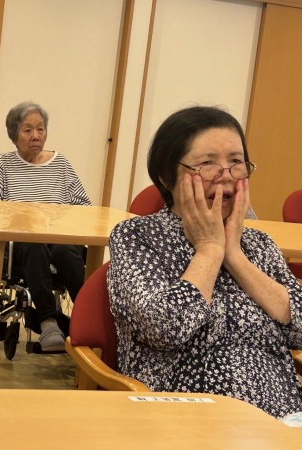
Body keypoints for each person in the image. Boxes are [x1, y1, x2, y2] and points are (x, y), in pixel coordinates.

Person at [108, 106, 302, 419]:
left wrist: (234, 254)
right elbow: (165, 329)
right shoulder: (137, 236)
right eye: (207, 164)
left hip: (280, 417)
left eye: (236, 162)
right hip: (183, 418)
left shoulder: (259, 244)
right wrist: (210, 250)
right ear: (166, 176)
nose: (227, 176)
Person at [0, 101, 91, 352]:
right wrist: (22, 218)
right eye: (27, 130)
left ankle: (89, 318)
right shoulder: (0, 165)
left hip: (59, 236)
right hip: (21, 241)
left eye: (40, 129)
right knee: (34, 242)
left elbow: (84, 206)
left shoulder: (61, 164)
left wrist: (61, 219)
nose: (36, 136)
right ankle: (48, 322)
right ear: (14, 135)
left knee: (66, 250)